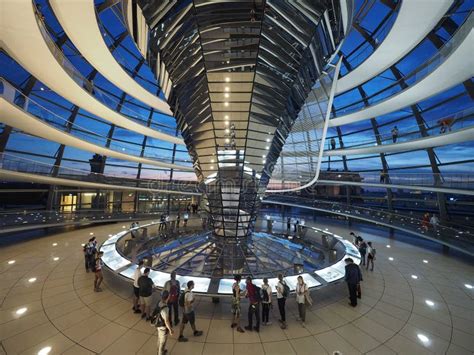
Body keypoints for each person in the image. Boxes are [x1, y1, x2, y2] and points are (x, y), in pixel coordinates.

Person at [152, 290, 173, 355]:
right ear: (168, 297)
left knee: (159, 339)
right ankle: (160, 352)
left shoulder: (159, 302)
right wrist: (170, 330)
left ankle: (160, 351)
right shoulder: (165, 308)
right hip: (163, 327)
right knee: (162, 343)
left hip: (158, 325)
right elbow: (166, 321)